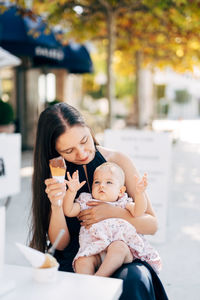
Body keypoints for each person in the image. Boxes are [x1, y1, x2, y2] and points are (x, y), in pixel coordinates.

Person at [30, 102, 168, 300]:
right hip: (79, 258)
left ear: (88, 128)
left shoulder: (117, 161)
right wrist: (57, 205)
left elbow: (151, 225)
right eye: (69, 151)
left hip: (120, 252)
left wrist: (113, 212)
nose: (82, 153)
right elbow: (60, 244)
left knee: (134, 280)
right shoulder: (56, 175)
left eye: (84, 140)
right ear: (55, 151)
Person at [63, 162, 161, 276]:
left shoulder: (122, 202)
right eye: (97, 182)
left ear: (120, 191)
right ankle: (88, 287)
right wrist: (71, 191)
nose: (101, 185)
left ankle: (99, 279)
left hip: (120, 248)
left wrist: (140, 194)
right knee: (81, 262)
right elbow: (68, 211)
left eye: (108, 182)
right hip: (94, 249)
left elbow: (138, 211)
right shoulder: (87, 201)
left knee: (118, 247)